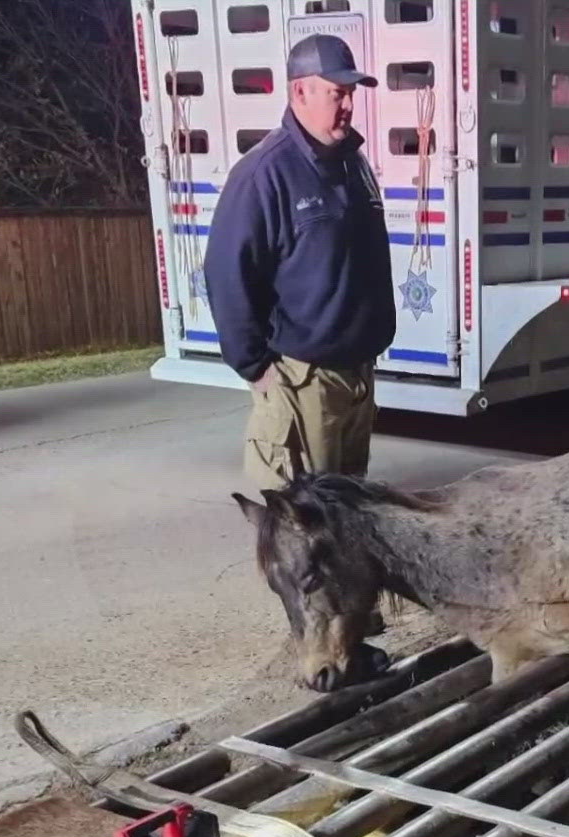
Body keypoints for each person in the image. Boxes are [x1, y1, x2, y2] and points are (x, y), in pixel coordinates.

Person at [204, 34, 395, 493]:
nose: (347, 105)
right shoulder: (263, 174)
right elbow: (227, 273)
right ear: (299, 92)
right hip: (304, 380)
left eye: (350, 93)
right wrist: (255, 366)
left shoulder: (354, 165)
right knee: (304, 532)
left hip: (356, 378)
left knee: (348, 520)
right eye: (336, 93)